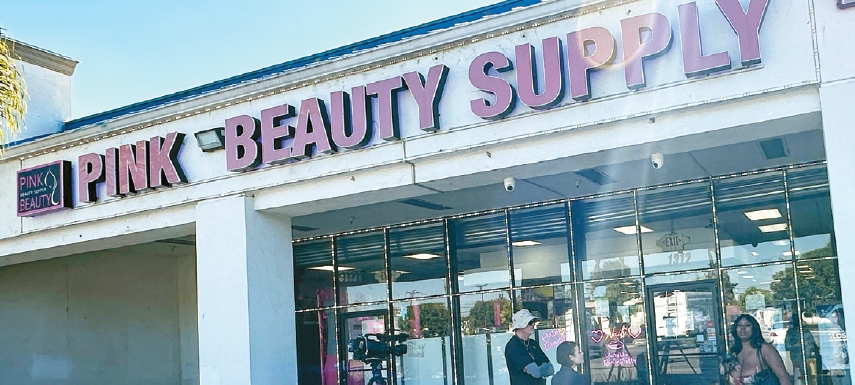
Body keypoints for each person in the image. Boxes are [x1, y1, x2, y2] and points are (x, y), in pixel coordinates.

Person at [727, 314, 791, 385]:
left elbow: (783, 376)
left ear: (754, 329)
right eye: (739, 325)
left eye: (747, 325)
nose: (742, 328)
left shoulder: (764, 349)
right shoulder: (733, 353)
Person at [505, 309, 554, 385]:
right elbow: (536, 372)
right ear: (521, 326)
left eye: (533, 322)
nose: (533, 324)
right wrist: (543, 368)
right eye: (530, 322)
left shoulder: (533, 343)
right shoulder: (513, 346)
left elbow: (551, 369)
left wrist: (539, 369)